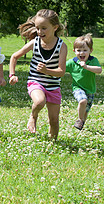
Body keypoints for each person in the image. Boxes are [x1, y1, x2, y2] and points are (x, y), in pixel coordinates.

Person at [9, 9, 67, 139]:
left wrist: (47, 71)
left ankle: (52, 144)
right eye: (38, 28)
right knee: (40, 101)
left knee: (54, 121)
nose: (39, 32)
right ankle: (33, 116)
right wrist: (12, 74)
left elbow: (61, 72)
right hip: (36, 81)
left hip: (53, 86)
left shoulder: (62, 46)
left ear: (55, 27)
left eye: (44, 28)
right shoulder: (34, 43)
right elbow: (14, 57)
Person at [66, 33, 102, 130]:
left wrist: (87, 67)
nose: (82, 53)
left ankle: (81, 125)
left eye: (85, 50)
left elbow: (99, 70)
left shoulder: (93, 60)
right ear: (74, 51)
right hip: (78, 88)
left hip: (90, 90)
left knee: (86, 111)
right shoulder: (71, 63)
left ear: (90, 50)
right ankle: (79, 120)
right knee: (83, 101)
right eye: (79, 50)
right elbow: (61, 68)